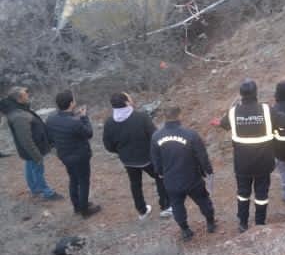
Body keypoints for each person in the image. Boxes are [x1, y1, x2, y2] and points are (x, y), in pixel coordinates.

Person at [214, 79, 285, 233]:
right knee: (261, 194)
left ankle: (243, 224)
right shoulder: (266, 110)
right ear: (256, 93)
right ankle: (259, 224)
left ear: (241, 95)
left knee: (243, 194)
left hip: (242, 164)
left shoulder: (234, 111)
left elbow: (223, 124)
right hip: (263, 163)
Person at [103, 92, 171, 220]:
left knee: (135, 184)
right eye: (129, 97)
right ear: (127, 102)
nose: (131, 98)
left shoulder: (109, 123)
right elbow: (154, 136)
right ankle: (166, 206)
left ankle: (142, 210)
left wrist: (121, 152)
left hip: (128, 160)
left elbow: (108, 145)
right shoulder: (141, 117)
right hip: (147, 157)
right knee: (160, 177)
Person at [151, 106, 215, 242]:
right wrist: (208, 171)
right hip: (192, 178)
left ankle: (185, 230)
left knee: (177, 205)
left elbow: (155, 159)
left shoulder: (156, 137)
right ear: (179, 115)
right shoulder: (191, 134)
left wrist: (160, 173)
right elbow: (202, 156)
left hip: (171, 180)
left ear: (165, 117)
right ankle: (210, 223)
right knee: (203, 201)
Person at [0, 86, 62, 200]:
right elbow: (26, 140)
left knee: (30, 166)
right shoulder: (19, 116)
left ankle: (34, 188)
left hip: (30, 149)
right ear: (18, 99)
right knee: (37, 168)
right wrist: (37, 155)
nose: (28, 95)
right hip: (33, 149)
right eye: (25, 94)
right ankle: (47, 193)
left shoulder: (19, 109)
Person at [46, 90, 100, 217]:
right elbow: (88, 133)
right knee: (84, 181)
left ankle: (77, 206)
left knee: (73, 180)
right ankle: (85, 210)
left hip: (65, 156)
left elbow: (51, 138)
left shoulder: (51, 119)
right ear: (71, 103)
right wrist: (84, 117)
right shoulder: (74, 122)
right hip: (80, 157)